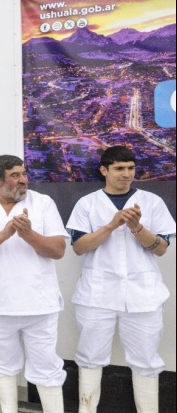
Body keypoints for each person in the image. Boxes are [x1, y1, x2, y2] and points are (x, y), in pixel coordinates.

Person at [66, 146, 175, 413]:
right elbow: (79, 247)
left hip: (143, 294)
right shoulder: (88, 204)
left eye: (130, 168)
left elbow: (161, 248)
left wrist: (137, 227)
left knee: (146, 360)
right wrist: (112, 225)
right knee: (90, 358)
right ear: (104, 170)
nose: (126, 174)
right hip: (97, 294)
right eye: (119, 169)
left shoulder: (151, 202)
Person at [0, 155, 67, 413]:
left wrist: (28, 234)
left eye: (24, 173)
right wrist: (5, 234)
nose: (23, 180)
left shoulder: (43, 203)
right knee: (1, 365)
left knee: (47, 368)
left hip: (39, 304)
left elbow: (58, 250)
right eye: (15, 175)